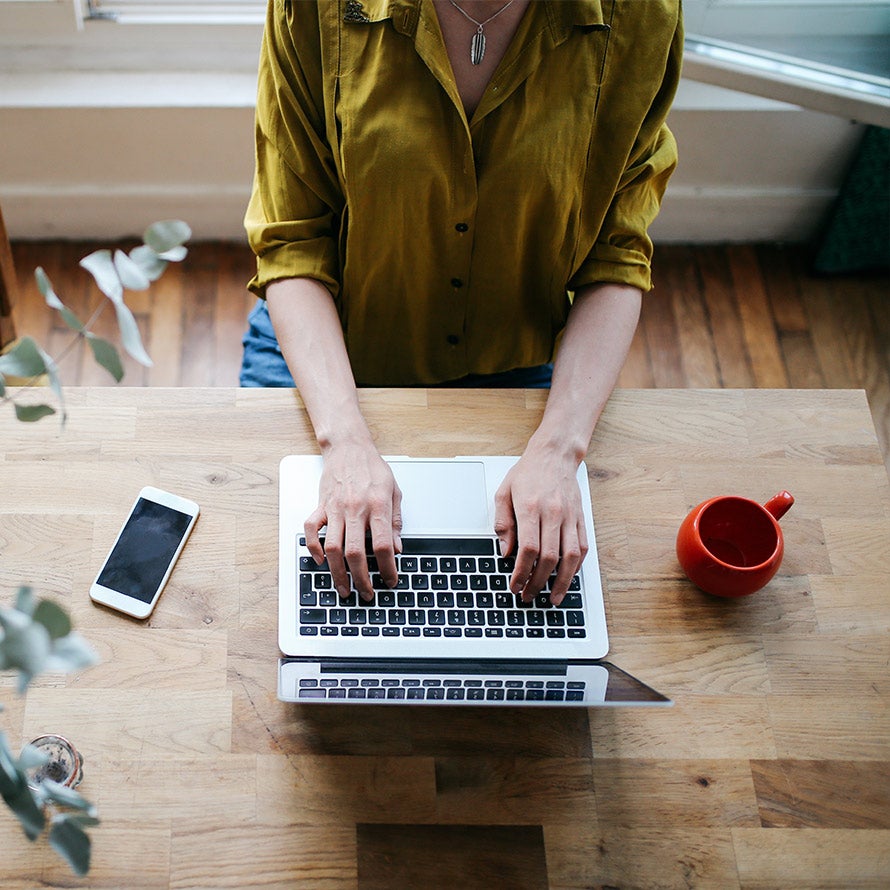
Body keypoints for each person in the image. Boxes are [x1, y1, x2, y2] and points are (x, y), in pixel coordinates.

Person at [242, 0, 682, 608]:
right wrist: (344, 444)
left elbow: (617, 253)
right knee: (267, 595)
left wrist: (560, 450)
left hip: (517, 360)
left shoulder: (642, 15)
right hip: (328, 347)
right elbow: (293, 242)